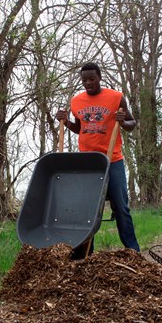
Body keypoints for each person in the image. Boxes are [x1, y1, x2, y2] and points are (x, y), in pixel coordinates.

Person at [55, 62, 140, 258]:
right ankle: (84, 252)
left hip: (112, 159)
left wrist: (122, 121)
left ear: (99, 77)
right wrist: (65, 121)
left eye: (92, 79)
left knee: (121, 206)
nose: (88, 83)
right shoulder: (76, 101)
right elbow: (80, 128)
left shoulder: (116, 97)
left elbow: (132, 124)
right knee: (85, 208)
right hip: (88, 162)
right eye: (84, 80)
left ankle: (133, 250)